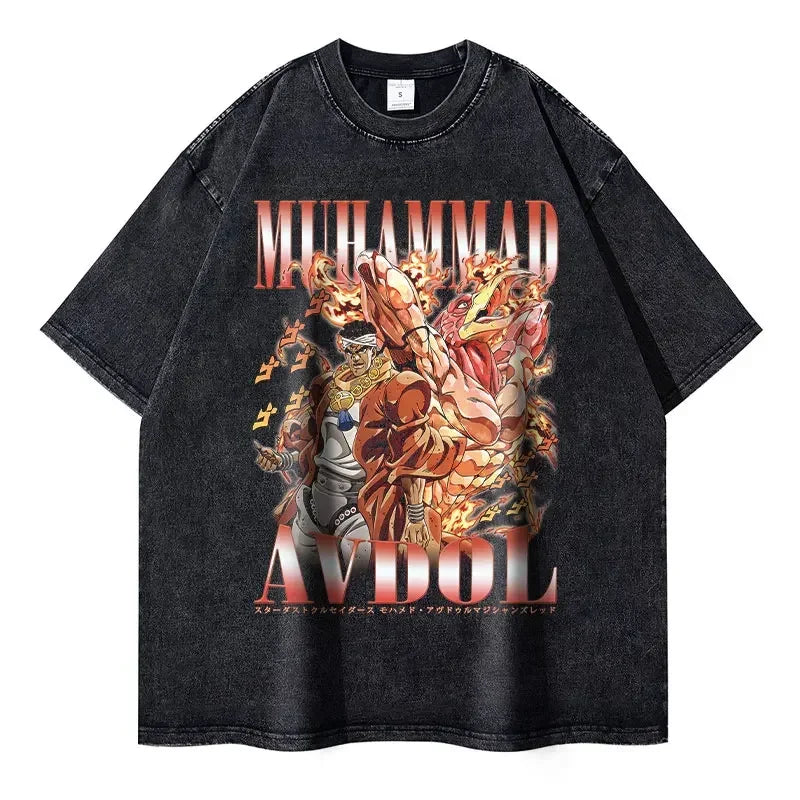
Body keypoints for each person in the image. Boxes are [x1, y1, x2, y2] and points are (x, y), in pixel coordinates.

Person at [254, 320, 464, 566]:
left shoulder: (393, 390)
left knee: (361, 575)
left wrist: (415, 515)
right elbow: (320, 446)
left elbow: (412, 454)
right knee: (301, 573)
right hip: (314, 503)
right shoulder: (329, 386)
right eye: (350, 351)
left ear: (373, 349)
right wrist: (283, 460)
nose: (355, 358)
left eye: (361, 350)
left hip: (359, 509)